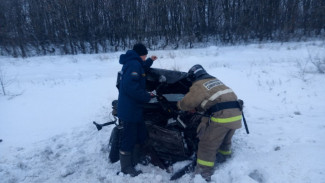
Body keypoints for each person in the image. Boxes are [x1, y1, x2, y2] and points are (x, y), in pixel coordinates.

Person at [177, 64, 242, 181]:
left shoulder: (198, 85)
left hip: (222, 117)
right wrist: (198, 109)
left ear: (193, 76)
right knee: (224, 140)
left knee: (207, 145)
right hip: (236, 115)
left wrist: (178, 105)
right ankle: (225, 160)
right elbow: (213, 100)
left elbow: (187, 104)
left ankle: (203, 174)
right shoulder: (215, 81)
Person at [117, 43, 157, 176]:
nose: (146, 58)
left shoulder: (134, 62)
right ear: (142, 54)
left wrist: (151, 60)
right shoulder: (134, 64)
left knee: (140, 134)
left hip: (134, 108)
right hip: (130, 109)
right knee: (129, 137)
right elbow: (130, 87)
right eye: (146, 56)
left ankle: (136, 158)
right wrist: (147, 96)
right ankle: (126, 167)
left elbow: (142, 67)